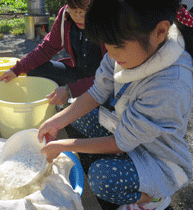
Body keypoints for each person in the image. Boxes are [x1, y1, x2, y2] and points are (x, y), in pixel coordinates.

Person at [38, 0, 193, 209]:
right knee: (76, 114)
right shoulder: (123, 50)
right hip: (127, 132)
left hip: (157, 156)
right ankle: (118, 160)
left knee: (102, 178)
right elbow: (96, 92)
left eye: (117, 46)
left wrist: (64, 145)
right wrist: (56, 121)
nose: (110, 55)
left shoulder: (170, 85)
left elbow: (121, 142)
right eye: (107, 45)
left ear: (160, 31)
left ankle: (153, 198)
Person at [0, 0, 111, 138]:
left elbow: (111, 76)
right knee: (35, 70)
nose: (78, 17)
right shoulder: (64, 16)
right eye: (73, 11)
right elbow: (47, 48)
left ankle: (69, 104)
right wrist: (17, 69)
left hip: (104, 84)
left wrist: (70, 91)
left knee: (98, 116)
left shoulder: (108, 21)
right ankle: (60, 104)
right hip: (77, 73)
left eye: (83, 12)